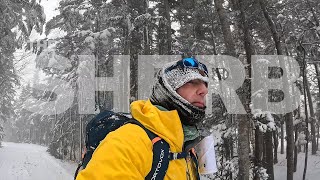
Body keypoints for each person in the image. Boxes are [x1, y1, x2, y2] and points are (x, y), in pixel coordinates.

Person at [76, 57, 209, 179]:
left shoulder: (187, 149)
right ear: (168, 90)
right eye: (192, 82)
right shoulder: (128, 141)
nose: (204, 90)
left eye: (205, 84)